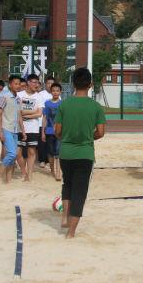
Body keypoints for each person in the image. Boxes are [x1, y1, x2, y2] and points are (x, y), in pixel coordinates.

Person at [55, 67, 106, 238]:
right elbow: (101, 132)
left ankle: (64, 217)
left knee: (67, 185)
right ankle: (71, 232)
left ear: (73, 84)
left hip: (66, 152)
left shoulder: (64, 104)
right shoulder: (96, 107)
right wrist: (88, 137)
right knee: (80, 192)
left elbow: (57, 130)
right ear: (90, 84)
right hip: (85, 153)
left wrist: (66, 137)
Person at [0, 75, 26, 184]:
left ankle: (8, 180)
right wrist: (0, 131)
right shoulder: (4, 97)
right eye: (15, 84)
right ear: (10, 85)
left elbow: (19, 116)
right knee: (12, 154)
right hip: (6, 128)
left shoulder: (18, 99)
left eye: (19, 84)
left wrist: (23, 131)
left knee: (13, 157)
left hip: (15, 131)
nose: (18, 86)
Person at [18, 74, 45, 180]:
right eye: (34, 82)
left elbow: (39, 114)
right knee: (18, 152)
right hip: (20, 128)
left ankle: (29, 174)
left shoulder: (39, 97)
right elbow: (18, 111)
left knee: (31, 152)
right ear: (28, 82)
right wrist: (33, 111)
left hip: (33, 128)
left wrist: (24, 115)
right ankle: (23, 172)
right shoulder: (20, 95)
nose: (36, 85)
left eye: (38, 83)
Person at [42, 82, 63, 181]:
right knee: (50, 152)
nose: (55, 92)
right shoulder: (47, 103)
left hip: (60, 132)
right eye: (53, 91)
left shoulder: (63, 104)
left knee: (58, 151)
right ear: (51, 92)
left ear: (60, 92)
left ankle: (58, 173)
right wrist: (43, 131)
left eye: (57, 91)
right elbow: (45, 118)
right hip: (49, 131)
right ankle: (52, 171)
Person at [36, 76, 56, 168]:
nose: (50, 85)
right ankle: (42, 160)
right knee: (42, 142)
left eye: (52, 83)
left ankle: (49, 160)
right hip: (41, 121)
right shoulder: (41, 94)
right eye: (48, 83)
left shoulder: (56, 95)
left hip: (52, 124)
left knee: (50, 143)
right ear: (45, 84)